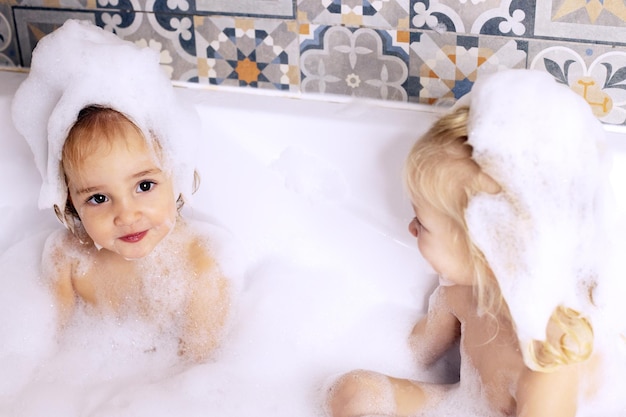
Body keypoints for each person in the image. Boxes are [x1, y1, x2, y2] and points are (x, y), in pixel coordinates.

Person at [325, 70, 619, 416]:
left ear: (482, 248)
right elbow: (416, 350)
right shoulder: (458, 293)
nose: (410, 228)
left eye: (422, 224)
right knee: (354, 392)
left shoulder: (549, 359)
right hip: (465, 402)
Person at [11, 20, 231, 362]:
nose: (126, 215)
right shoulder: (67, 261)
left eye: (144, 185)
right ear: (69, 201)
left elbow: (200, 372)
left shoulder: (201, 266)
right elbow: (45, 354)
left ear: (177, 174)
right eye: (98, 198)